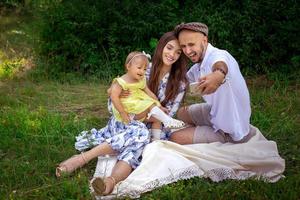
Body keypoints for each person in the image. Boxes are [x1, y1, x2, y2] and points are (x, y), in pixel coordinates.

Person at [56, 51, 185, 195]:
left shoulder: (179, 82)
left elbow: (163, 111)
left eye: (178, 52)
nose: (172, 54)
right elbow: (112, 98)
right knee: (139, 132)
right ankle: (82, 159)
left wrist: (156, 108)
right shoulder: (139, 70)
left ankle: (108, 184)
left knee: (134, 148)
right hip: (124, 122)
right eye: (170, 48)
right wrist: (115, 96)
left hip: (148, 126)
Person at [170, 22, 252, 144]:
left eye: (191, 44)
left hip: (231, 129)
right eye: (183, 46)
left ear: (204, 40)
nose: (187, 51)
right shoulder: (196, 68)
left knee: (174, 137)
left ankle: (217, 137)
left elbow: (220, 66)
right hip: (215, 113)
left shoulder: (218, 55)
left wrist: (218, 75)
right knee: (181, 113)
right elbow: (180, 84)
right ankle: (197, 131)